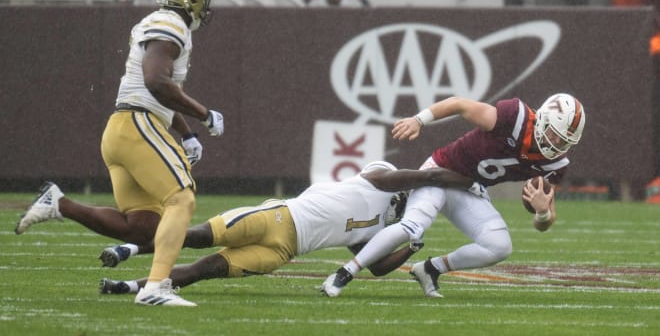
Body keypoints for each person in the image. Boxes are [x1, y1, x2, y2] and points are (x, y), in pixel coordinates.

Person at [15, 0, 222, 307]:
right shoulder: (171, 25)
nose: (205, 6)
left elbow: (153, 90)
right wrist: (204, 114)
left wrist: (186, 134)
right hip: (138, 125)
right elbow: (157, 82)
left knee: (141, 228)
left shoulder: (159, 23)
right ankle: (156, 287)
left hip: (123, 129)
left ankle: (60, 203)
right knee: (181, 199)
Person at [321, 93, 586, 298]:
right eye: (554, 134)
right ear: (542, 119)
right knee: (412, 228)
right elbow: (461, 105)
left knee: (499, 245)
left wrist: (541, 212)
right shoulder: (514, 118)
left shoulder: (555, 165)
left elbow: (544, 223)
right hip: (439, 172)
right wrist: (418, 120)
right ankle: (344, 273)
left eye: (564, 141)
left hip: (469, 188)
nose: (557, 144)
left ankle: (431, 269)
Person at [97, 161, 475, 295]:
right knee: (197, 236)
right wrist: (466, 180)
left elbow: (373, 266)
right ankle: (129, 250)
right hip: (279, 217)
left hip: (284, 251)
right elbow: (424, 174)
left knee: (205, 270)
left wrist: (411, 246)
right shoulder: (375, 181)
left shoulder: (382, 226)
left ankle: (127, 287)